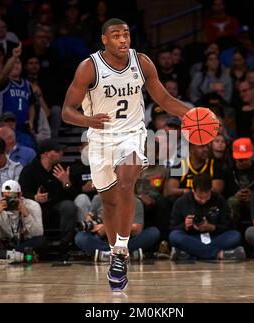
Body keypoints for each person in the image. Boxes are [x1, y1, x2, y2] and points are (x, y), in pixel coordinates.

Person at [61, 18, 193, 291]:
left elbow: (164, 99)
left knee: (126, 182)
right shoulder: (89, 68)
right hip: (99, 139)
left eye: (126, 35)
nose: (123, 40)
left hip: (132, 134)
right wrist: (89, 121)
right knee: (108, 203)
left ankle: (121, 251)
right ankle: (114, 255)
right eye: (116, 36)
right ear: (105, 40)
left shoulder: (141, 62)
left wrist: (192, 114)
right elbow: (67, 112)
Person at [169, 173, 245, 261]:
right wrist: (185, 226)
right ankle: (219, 255)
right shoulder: (182, 202)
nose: (203, 201)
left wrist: (213, 227)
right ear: (193, 190)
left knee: (235, 235)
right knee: (174, 236)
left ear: (211, 190)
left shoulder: (219, 200)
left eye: (207, 197)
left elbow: (229, 225)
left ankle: (189, 254)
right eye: (200, 198)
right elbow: (172, 227)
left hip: (214, 237)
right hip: (192, 238)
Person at [75, 195, 160, 262]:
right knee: (80, 237)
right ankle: (125, 254)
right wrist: (91, 222)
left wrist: (109, 228)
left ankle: (107, 254)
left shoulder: (135, 202)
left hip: (125, 239)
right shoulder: (98, 198)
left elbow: (137, 229)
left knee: (153, 232)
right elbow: (90, 217)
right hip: (102, 239)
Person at [0, 180, 47, 256]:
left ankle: (8, 255)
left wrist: (26, 214)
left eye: (12, 198)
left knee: (42, 241)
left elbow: (38, 234)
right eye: (6, 198)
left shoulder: (33, 206)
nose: (9, 201)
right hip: (4, 244)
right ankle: (17, 254)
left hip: (24, 243)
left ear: (20, 195)